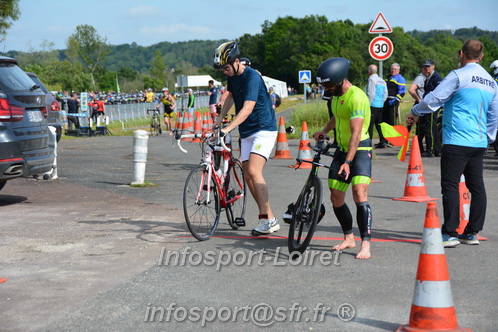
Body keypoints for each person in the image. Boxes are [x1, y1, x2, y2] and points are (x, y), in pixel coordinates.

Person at [407, 39, 498, 248]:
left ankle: (450, 233)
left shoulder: (458, 76)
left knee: (450, 185)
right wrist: (488, 137)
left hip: (456, 140)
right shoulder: (490, 82)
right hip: (478, 141)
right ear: (482, 56)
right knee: (477, 187)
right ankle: (472, 232)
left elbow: (433, 100)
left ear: (461, 54)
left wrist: (414, 111)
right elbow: (495, 115)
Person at [213, 41, 279, 236]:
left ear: (236, 61)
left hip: (263, 129)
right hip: (247, 131)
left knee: (253, 170)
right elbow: (231, 97)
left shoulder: (251, 76)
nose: (225, 72)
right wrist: (218, 121)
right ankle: (268, 218)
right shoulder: (232, 77)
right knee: (247, 175)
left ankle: (268, 219)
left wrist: (227, 129)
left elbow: (248, 108)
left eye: (226, 68)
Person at [314, 57, 373, 259]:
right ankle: (349, 237)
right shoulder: (336, 96)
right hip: (342, 148)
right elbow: (338, 117)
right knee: (336, 195)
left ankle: (365, 243)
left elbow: (356, 134)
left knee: (359, 191)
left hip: (360, 150)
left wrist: (348, 162)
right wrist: (324, 130)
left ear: (341, 81)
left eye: (329, 85)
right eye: (325, 86)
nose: (327, 89)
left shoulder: (357, 97)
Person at [376, 63, 406, 148]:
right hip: (384, 101)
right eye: (392, 69)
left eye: (395, 69)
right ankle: (384, 141)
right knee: (383, 122)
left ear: (398, 70)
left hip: (392, 101)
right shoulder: (387, 78)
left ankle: (392, 140)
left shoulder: (400, 79)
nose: (393, 70)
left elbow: (402, 91)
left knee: (392, 122)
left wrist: (396, 100)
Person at [419, 59, 443, 157]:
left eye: (428, 66)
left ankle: (431, 150)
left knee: (430, 128)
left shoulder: (436, 78)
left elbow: (438, 92)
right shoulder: (428, 78)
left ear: (433, 66)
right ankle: (437, 150)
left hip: (432, 106)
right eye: (424, 66)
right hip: (428, 106)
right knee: (430, 127)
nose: (426, 68)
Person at [366, 64, 387, 143]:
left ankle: (368, 142)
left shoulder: (371, 80)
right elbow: (385, 93)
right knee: (379, 123)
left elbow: (371, 93)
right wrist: (382, 101)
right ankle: (383, 141)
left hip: (373, 104)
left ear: (369, 71)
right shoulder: (382, 80)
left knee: (370, 124)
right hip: (380, 104)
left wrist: (368, 104)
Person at [408, 69, 426, 150]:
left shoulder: (427, 77)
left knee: (423, 126)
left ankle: (419, 147)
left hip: (424, 105)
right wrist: (418, 99)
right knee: (420, 127)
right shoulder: (420, 78)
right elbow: (411, 89)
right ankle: (419, 147)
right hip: (420, 104)